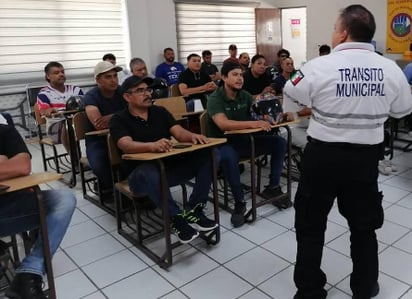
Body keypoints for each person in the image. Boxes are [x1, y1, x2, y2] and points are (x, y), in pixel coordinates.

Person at [283, 5, 412, 299]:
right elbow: (403, 109)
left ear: (342, 33)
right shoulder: (390, 69)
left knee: (310, 224)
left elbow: (289, 95)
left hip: (322, 158)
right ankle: (364, 288)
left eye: (333, 28)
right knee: (364, 228)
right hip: (364, 160)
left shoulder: (318, 66)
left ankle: (309, 289)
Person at [109, 76, 218, 243]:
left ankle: (194, 209)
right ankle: (176, 218)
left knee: (208, 155)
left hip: (167, 169)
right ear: (127, 97)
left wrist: (193, 136)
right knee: (150, 171)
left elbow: (179, 132)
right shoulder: (119, 119)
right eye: (140, 91)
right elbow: (126, 145)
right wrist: (151, 146)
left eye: (148, 90)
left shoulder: (159, 111)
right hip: (139, 177)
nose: (147, 94)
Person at [206, 62, 292, 228]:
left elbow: (258, 113)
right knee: (230, 156)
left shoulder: (244, 95)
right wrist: (254, 124)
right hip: (221, 144)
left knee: (279, 142)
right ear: (223, 77)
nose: (239, 78)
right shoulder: (215, 99)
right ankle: (239, 202)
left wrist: (272, 117)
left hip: (243, 141)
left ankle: (273, 187)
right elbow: (224, 124)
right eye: (234, 75)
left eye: (241, 75)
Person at [0, 123, 76, 299]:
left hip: (8, 209)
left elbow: (21, 166)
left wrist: (9, 165)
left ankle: (29, 272)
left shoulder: (4, 131)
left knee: (64, 200)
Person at [83, 61, 126, 194]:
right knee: (100, 163)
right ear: (98, 80)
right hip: (98, 141)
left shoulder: (122, 91)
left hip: (122, 135)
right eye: (108, 77)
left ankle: (132, 189)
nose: (113, 80)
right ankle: (114, 191)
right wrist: (123, 116)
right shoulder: (91, 96)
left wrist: (111, 117)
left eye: (115, 76)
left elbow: (136, 112)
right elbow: (98, 125)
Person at [36, 61, 84, 159]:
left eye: (62, 72)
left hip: (77, 123)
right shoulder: (44, 93)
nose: (61, 74)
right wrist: (49, 110)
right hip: (56, 128)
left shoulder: (76, 90)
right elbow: (43, 111)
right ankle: (76, 161)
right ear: (48, 76)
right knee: (67, 126)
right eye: (56, 73)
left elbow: (85, 105)